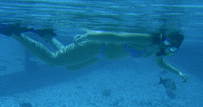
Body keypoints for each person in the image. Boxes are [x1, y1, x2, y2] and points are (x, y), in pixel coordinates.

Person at [0, 23, 188, 81]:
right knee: (54, 61)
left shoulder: (156, 49)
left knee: (71, 68)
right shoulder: (146, 40)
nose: (168, 49)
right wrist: (93, 35)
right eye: (169, 45)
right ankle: (16, 34)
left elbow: (160, 63)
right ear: (165, 38)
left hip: (98, 55)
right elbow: (117, 36)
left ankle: (47, 35)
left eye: (172, 49)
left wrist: (178, 73)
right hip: (96, 46)